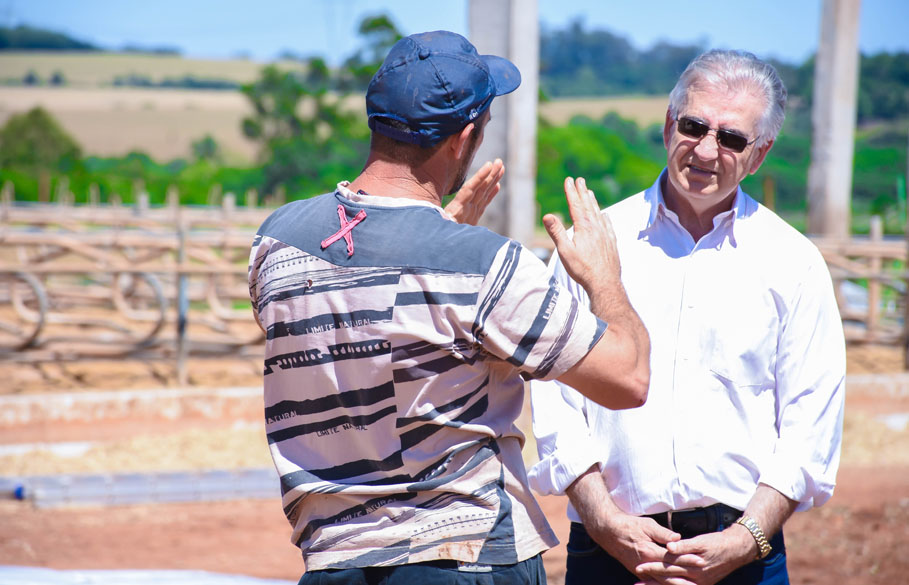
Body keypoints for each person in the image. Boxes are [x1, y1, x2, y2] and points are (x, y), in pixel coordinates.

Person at [248, 30, 650, 585]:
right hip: (466, 557)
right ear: (463, 139)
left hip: (333, 560)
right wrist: (605, 279)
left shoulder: (274, 242)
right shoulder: (483, 266)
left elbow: (361, 338)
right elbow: (628, 378)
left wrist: (439, 242)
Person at [529, 49, 846, 585]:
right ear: (668, 125)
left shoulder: (793, 262)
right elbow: (554, 398)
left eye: (732, 138)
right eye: (694, 126)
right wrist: (606, 522)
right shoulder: (596, 242)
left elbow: (810, 423)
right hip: (607, 551)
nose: (705, 150)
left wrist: (743, 540)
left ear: (759, 154)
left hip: (745, 555)